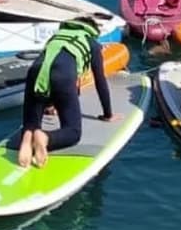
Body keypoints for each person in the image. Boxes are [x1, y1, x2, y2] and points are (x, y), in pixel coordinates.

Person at [17, 16, 119, 168]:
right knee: (73, 132)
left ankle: (28, 134)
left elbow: (47, 70)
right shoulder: (92, 43)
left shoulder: (56, 38)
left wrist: (50, 104)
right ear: (91, 31)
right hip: (63, 77)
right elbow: (100, 81)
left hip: (34, 73)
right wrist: (108, 114)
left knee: (32, 121)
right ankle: (45, 138)